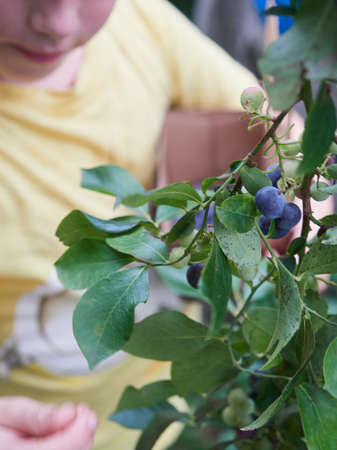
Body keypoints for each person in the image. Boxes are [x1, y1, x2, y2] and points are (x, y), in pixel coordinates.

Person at [0, 0, 308, 449]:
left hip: (151, 420)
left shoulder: (142, 22)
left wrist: (301, 189)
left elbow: (274, 126)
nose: (57, 25)